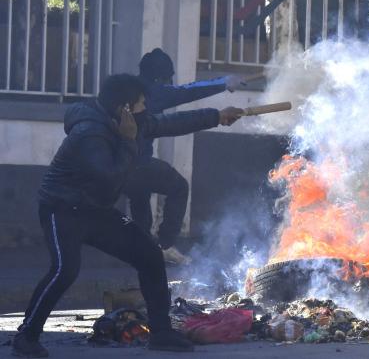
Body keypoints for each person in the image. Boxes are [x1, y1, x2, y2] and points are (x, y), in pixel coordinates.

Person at [12, 74, 243, 357]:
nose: (146, 108)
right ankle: (27, 336)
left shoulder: (128, 121)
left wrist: (217, 116)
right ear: (125, 108)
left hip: (96, 210)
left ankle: (161, 334)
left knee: (149, 255)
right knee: (65, 270)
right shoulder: (89, 133)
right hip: (63, 209)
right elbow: (111, 177)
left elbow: (167, 124)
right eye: (142, 103)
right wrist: (129, 141)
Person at [124, 48, 243, 264]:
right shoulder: (153, 92)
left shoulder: (129, 88)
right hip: (135, 163)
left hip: (118, 164)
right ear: (161, 77)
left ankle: (140, 248)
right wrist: (223, 83)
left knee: (139, 195)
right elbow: (188, 91)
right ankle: (165, 245)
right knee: (178, 187)